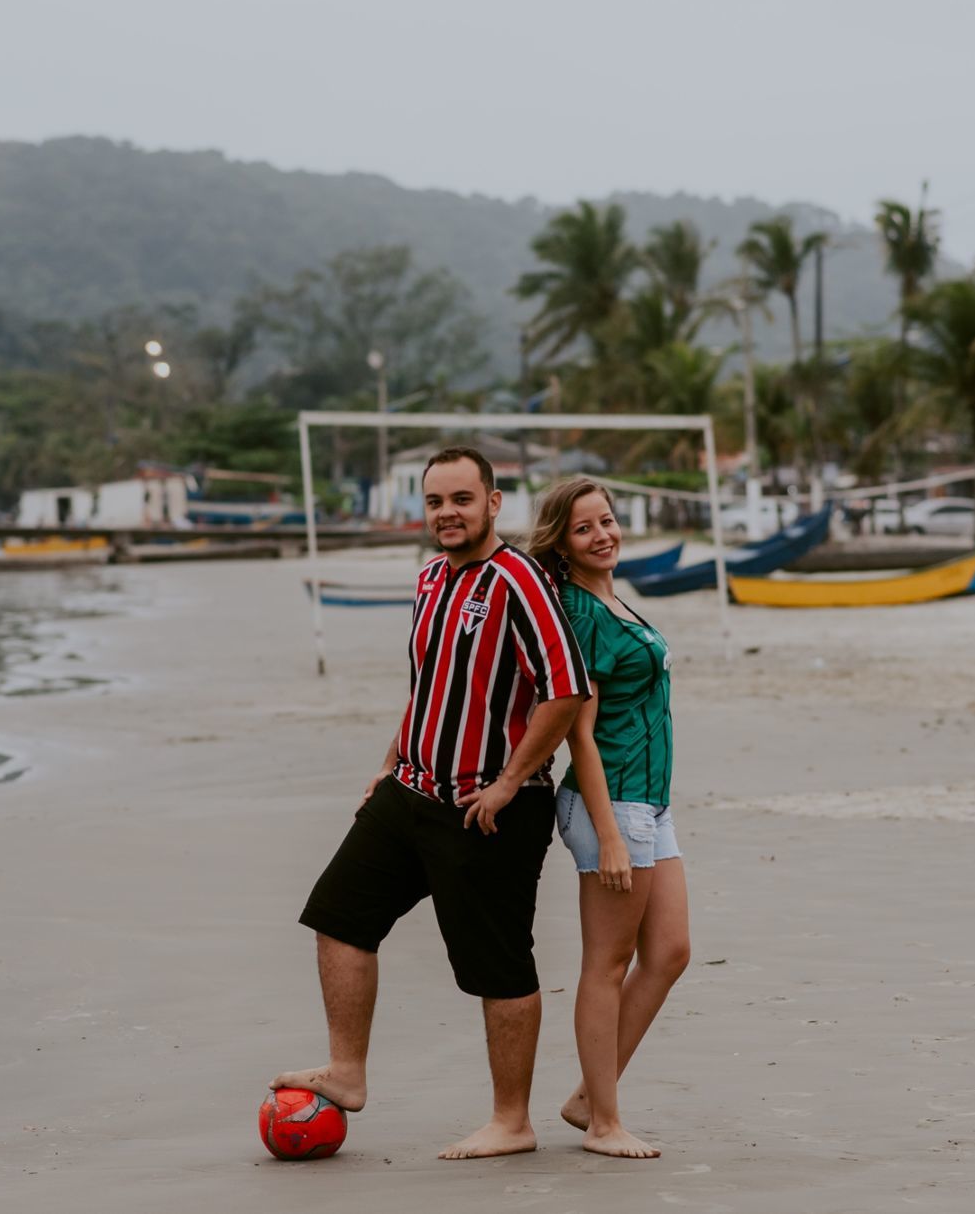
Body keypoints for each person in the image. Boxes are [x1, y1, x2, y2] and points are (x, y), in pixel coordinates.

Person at [271, 446, 590, 1160]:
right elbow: (431, 685)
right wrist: (389, 762)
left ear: (493, 502)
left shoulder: (521, 582)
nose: (448, 513)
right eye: (436, 502)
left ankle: (512, 1121)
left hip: (490, 811)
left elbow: (565, 689)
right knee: (338, 916)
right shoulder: (428, 580)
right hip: (410, 792)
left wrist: (510, 781)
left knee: (498, 965)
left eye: (462, 500)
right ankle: (347, 1072)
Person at [526, 478, 690, 1160]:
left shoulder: (611, 599)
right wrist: (613, 836)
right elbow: (578, 735)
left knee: (671, 952)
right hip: (612, 805)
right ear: (562, 543)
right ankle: (603, 1123)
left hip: (650, 799)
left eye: (609, 520)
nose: (604, 534)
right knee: (607, 962)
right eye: (585, 527)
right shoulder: (578, 616)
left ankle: (589, 1096)